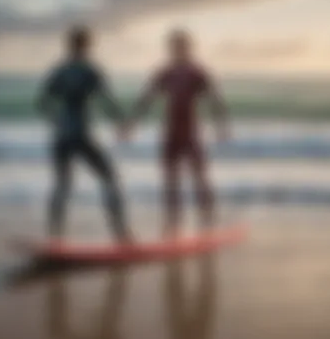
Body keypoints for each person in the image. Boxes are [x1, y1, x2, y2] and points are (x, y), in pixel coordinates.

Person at [123, 29, 230, 239]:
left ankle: (208, 220)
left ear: (188, 48)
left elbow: (215, 99)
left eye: (180, 46)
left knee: (199, 176)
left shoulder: (198, 72)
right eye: (173, 47)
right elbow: (146, 98)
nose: (176, 50)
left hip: (190, 132)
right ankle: (173, 224)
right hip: (171, 132)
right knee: (170, 180)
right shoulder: (164, 73)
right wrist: (131, 123)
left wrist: (221, 125)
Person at [38, 25, 132, 244]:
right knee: (109, 178)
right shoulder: (90, 70)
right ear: (87, 45)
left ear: (69, 45)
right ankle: (121, 234)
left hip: (61, 136)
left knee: (62, 184)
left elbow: (42, 103)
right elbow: (106, 99)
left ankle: (54, 237)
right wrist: (122, 121)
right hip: (81, 134)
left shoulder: (59, 70)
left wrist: (56, 121)